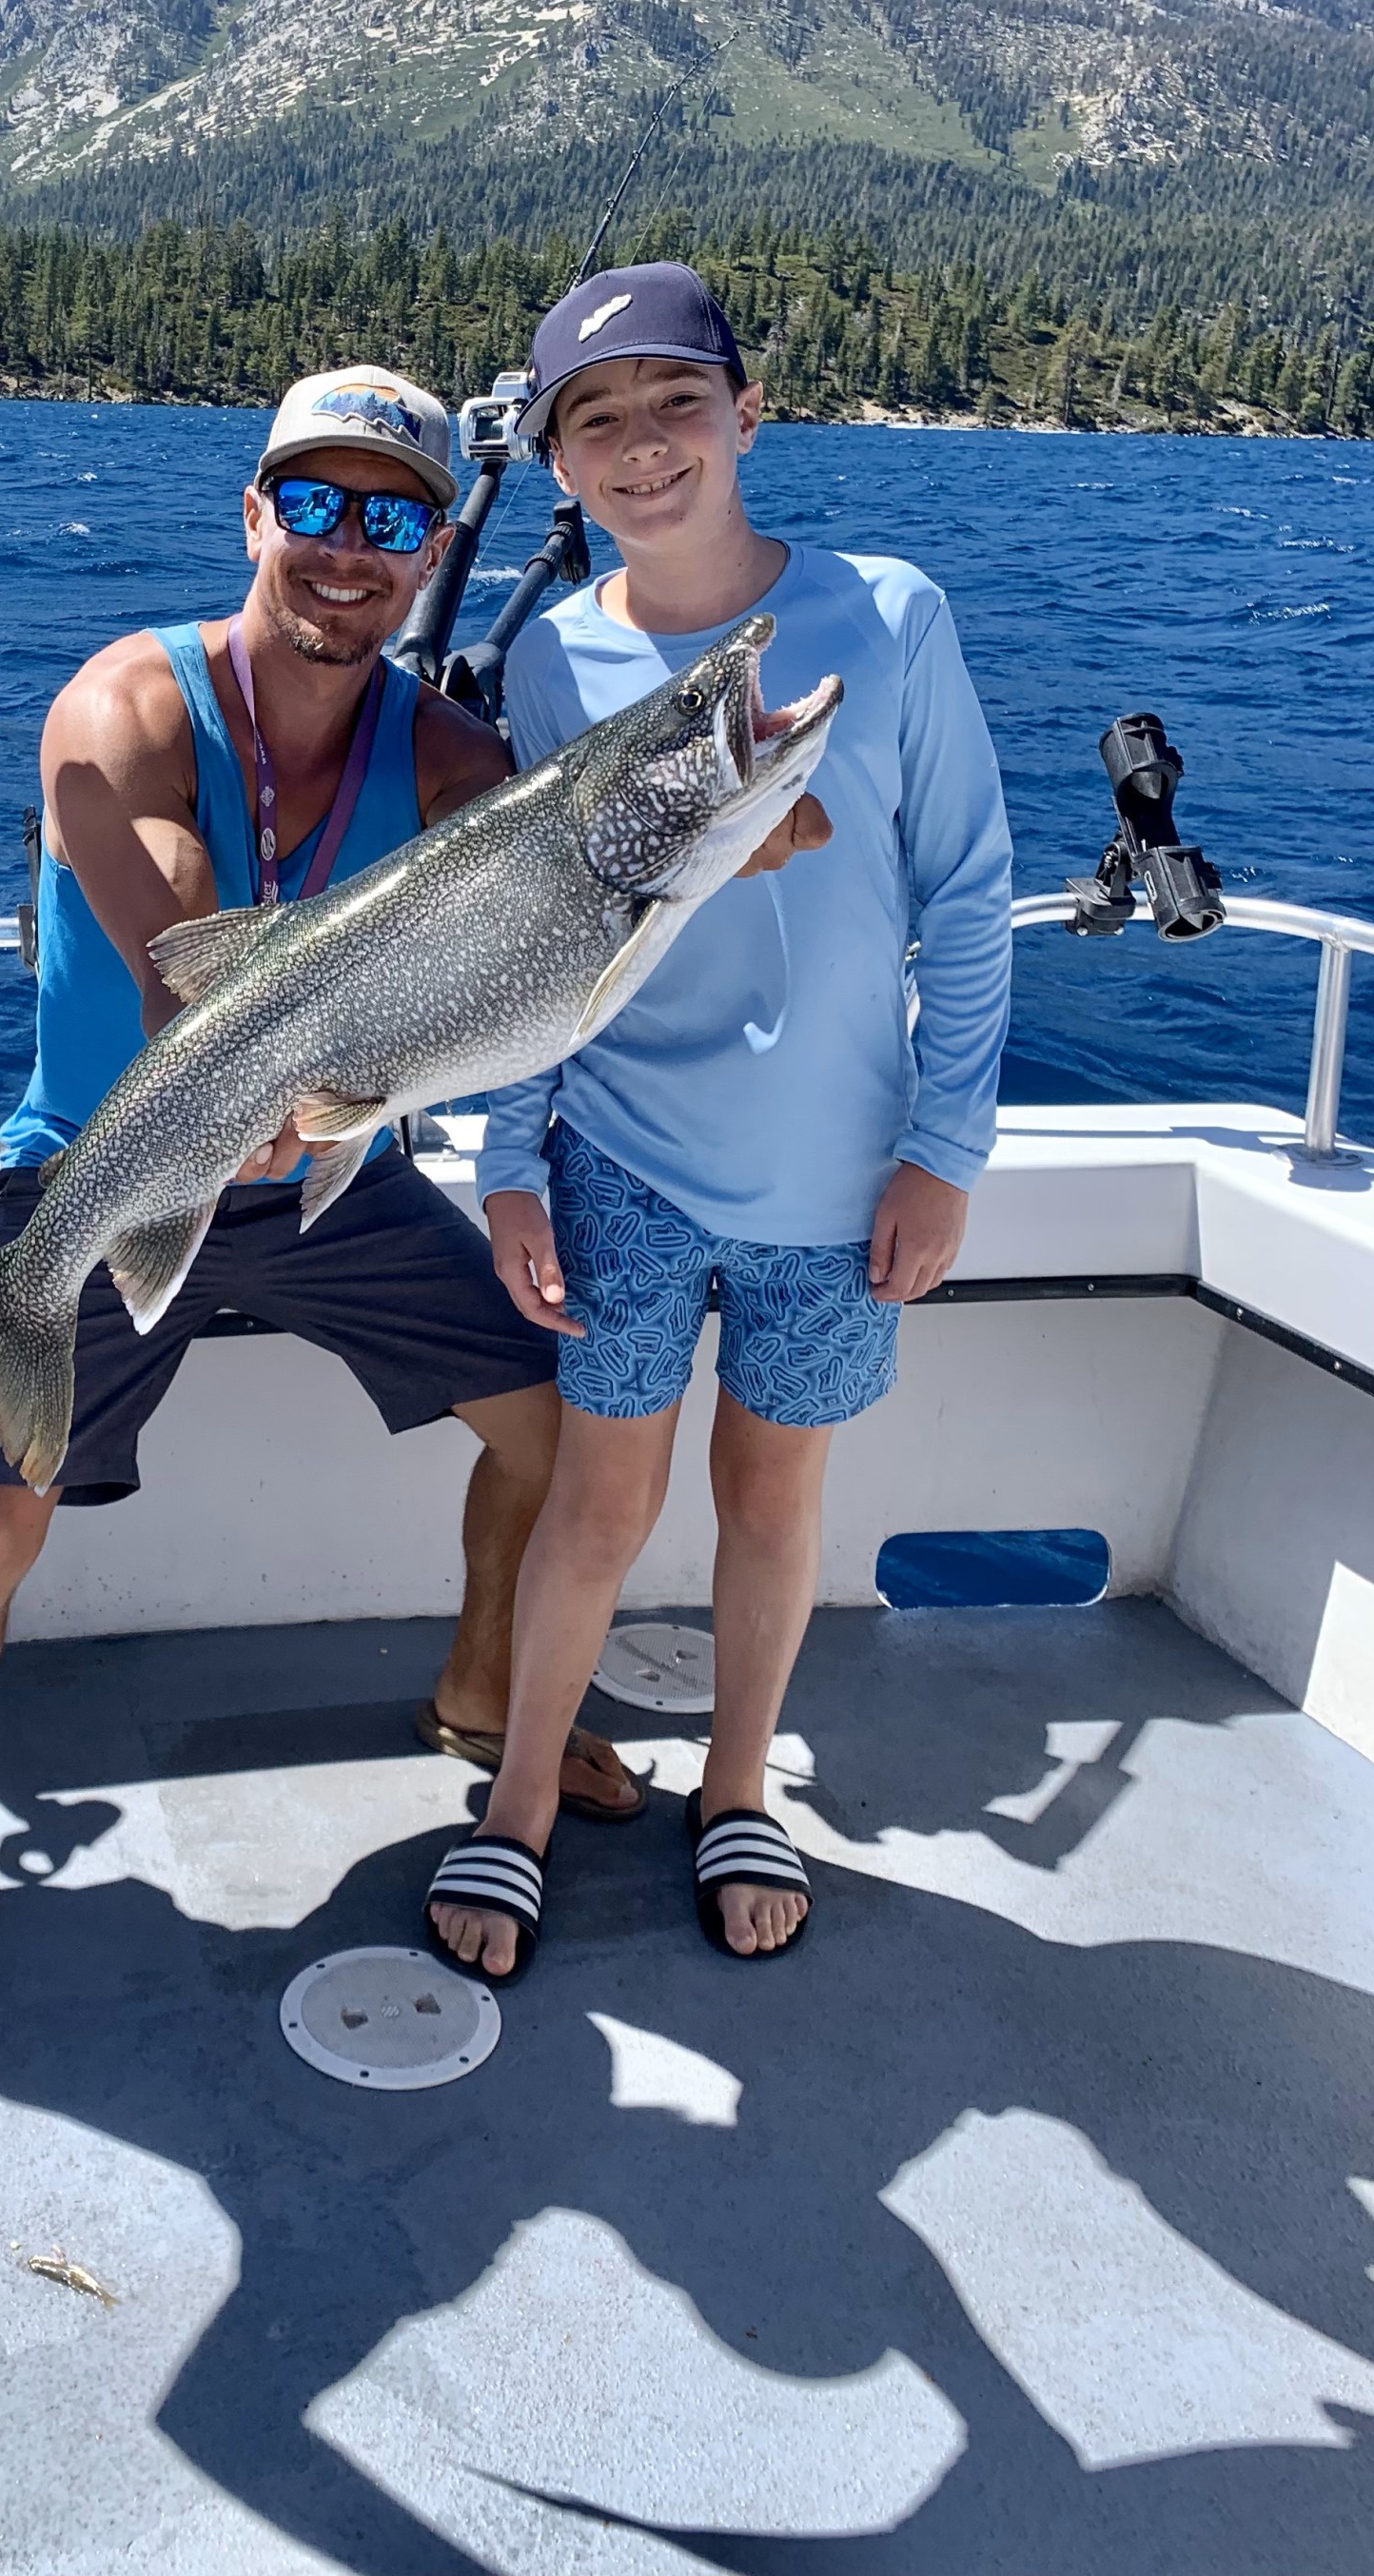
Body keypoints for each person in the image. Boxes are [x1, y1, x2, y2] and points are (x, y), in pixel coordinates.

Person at [0, 364, 662, 2055]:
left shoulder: (453, 754)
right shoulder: (124, 706)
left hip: (335, 1173)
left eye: (395, 518)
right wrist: (243, 1102)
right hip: (116, 1156)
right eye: (319, 504)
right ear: (257, 513)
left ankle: (483, 1688)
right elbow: (178, 964)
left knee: (567, 1440)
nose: (351, 548)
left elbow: (538, 927)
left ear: (433, 554)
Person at [424, 263, 1011, 1976]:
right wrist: (511, 1163)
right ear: (555, 463)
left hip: (841, 1182)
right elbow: (546, 948)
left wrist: (944, 1152)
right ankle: (520, 1802)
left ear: (749, 413)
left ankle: (739, 1785)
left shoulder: (890, 616)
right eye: (595, 420)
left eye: (678, 401)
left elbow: (971, 894)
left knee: (771, 1499)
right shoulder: (555, 659)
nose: (643, 444)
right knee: (598, 1508)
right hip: (618, 1161)